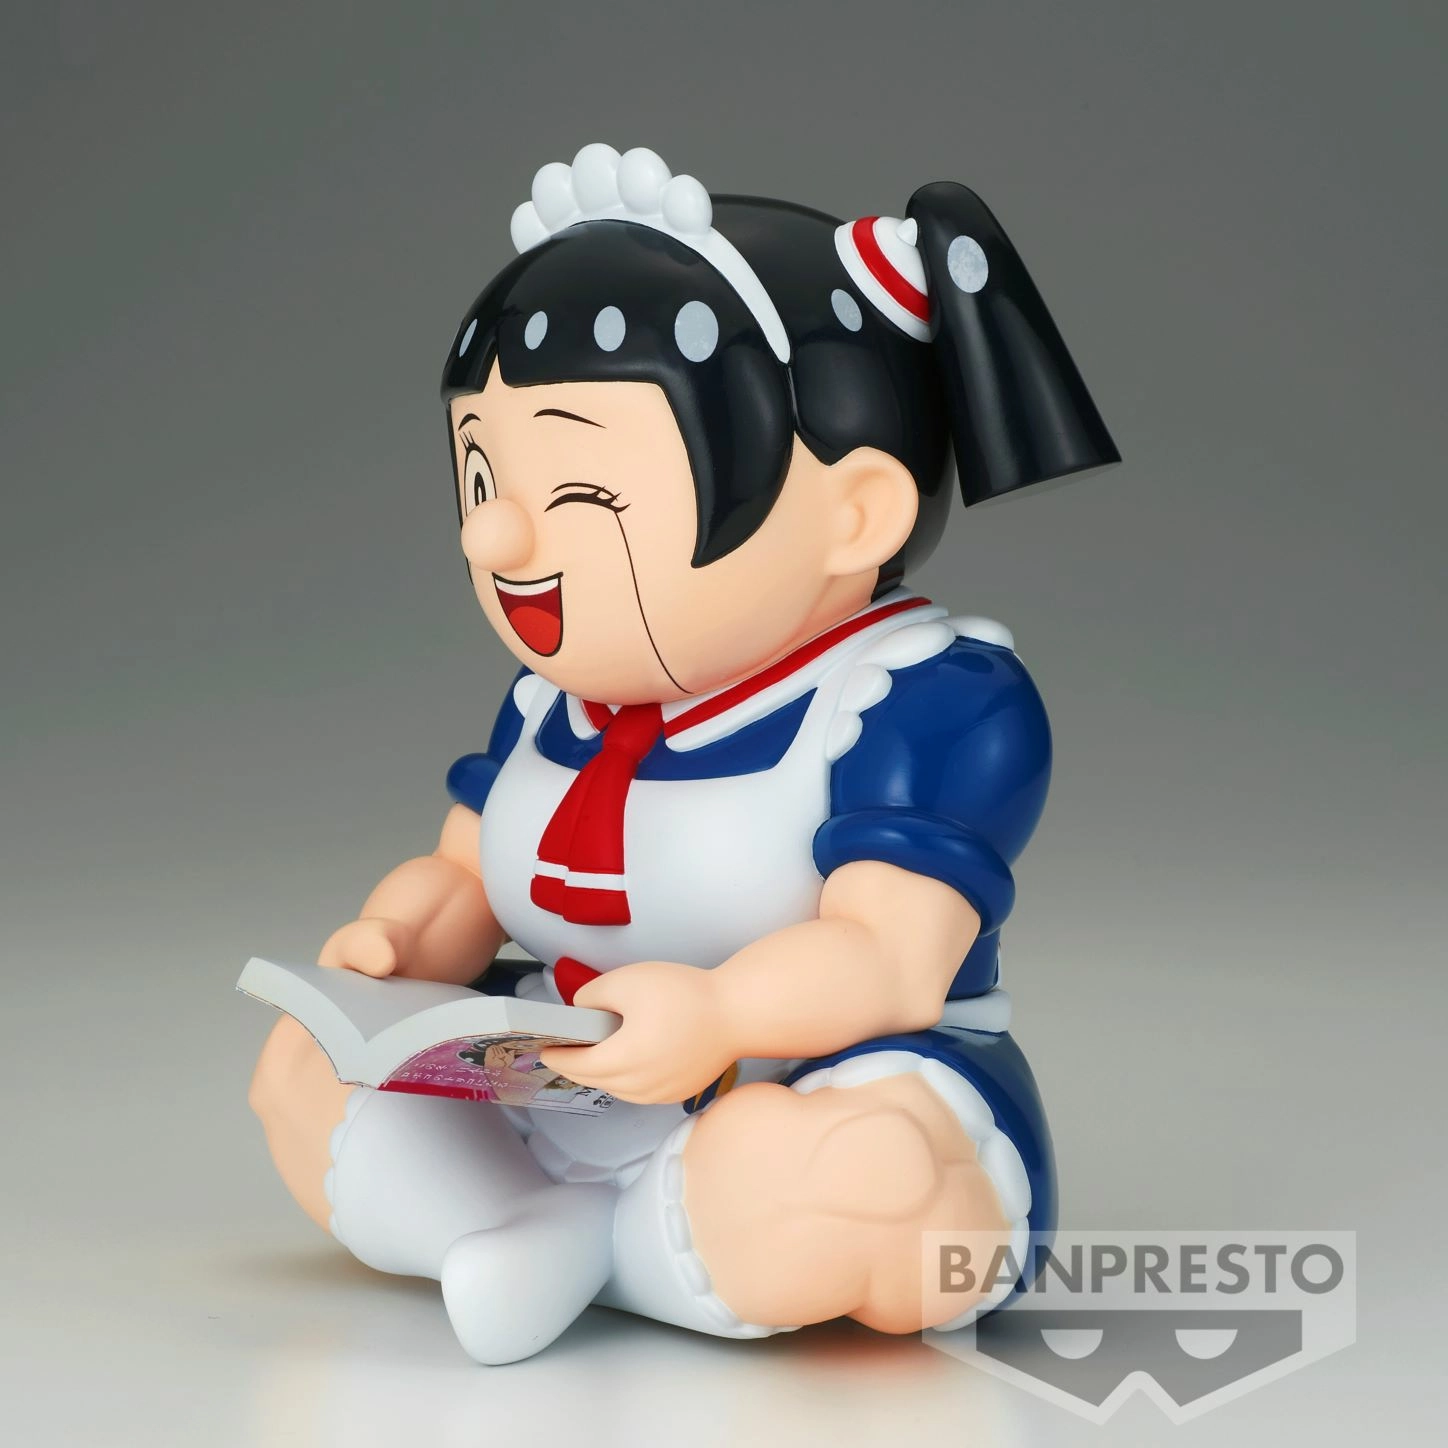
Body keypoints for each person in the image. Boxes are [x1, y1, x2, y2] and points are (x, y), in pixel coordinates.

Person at [249, 143, 1119, 1365]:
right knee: (302, 1078)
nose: (494, 535)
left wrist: (719, 1011)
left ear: (852, 512)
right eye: (482, 473)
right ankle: (577, 1237)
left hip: (798, 1074)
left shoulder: (920, 701)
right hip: (566, 1073)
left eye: (581, 486)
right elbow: (463, 870)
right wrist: (396, 944)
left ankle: (560, 1237)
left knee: (849, 1174)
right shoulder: (553, 701)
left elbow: (888, 955)